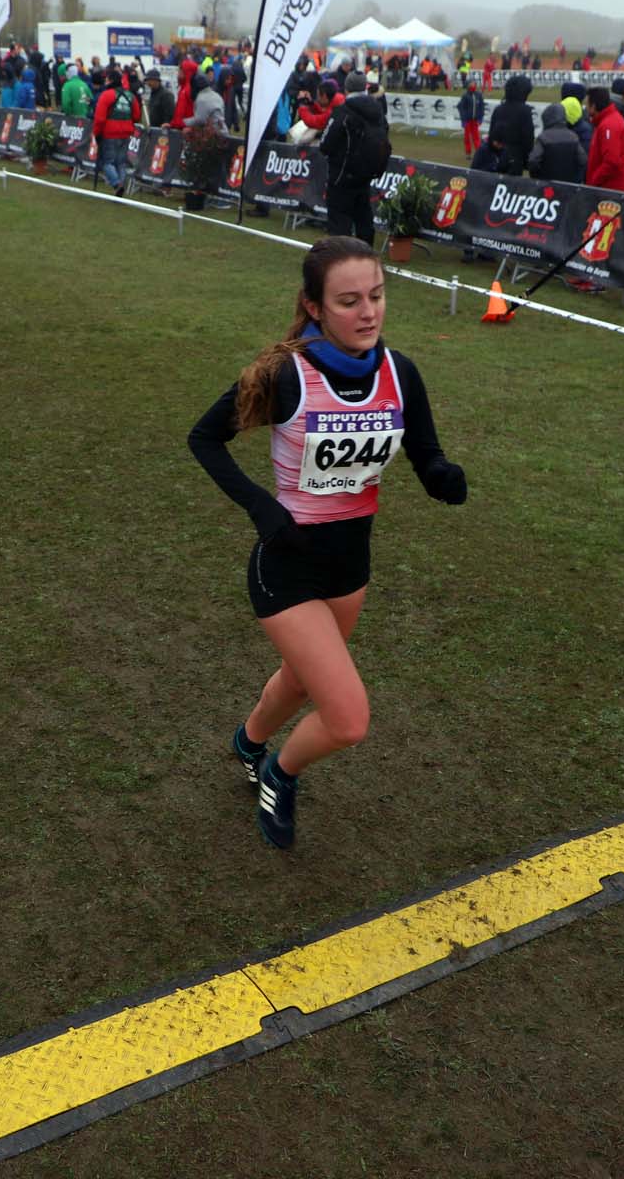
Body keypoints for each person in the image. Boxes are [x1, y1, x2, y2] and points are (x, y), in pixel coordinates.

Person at [186, 237, 467, 849]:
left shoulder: (400, 373)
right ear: (314, 307)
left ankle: (248, 742)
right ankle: (279, 774)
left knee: (301, 679)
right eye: (348, 301)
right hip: (286, 567)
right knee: (347, 718)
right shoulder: (284, 374)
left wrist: (442, 478)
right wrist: (263, 508)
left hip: (350, 567)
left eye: (376, 296)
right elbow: (204, 438)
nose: (368, 312)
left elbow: (425, 451)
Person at [320, 73, 389, 246]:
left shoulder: (343, 111)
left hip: (341, 175)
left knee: (339, 222)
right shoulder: (377, 111)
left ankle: (340, 261)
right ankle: (366, 259)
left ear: (346, 88)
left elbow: (326, 144)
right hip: (366, 174)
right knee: (364, 219)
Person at [92, 67, 141, 197]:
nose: (105, 82)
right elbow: (136, 116)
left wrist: (96, 134)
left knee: (107, 162)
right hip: (126, 133)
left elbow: (100, 118)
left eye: (107, 79)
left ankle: (116, 184)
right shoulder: (131, 95)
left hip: (109, 133)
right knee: (121, 163)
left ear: (111, 81)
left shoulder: (106, 95)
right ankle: (120, 187)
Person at [487, 74, 535, 176]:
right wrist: (526, 161)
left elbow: (491, 137)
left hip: (498, 158)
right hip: (515, 159)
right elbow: (528, 140)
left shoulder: (498, 109)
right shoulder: (525, 111)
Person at [585, 86, 624, 191]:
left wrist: (592, 182)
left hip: (607, 191)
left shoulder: (609, 125)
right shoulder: (610, 120)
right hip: (608, 189)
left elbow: (612, 162)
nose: (586, 107)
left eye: (587, 104)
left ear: (594, 106)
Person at [528, 102, 584, 183]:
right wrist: (576, 179)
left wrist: (538, 177)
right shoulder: (573, 136)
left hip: (547, 184)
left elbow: (533, 161)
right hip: (569, 185)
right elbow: (582, 160)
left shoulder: (543, 137)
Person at [457, 80, 484, 156]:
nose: (473, 84)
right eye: (471, 83)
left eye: (474, 83)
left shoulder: (478, 94)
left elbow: (481, 107)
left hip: (475, 120)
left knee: (476, 137)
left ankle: (479, 153)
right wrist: (463, 120)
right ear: (468, 85)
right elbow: (461, 107)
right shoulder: (465, 96)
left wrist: (481, 117)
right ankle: (468, 152)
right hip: (467, 120)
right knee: (467, 137)